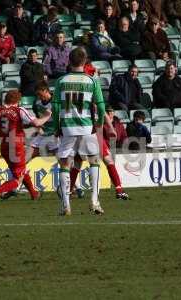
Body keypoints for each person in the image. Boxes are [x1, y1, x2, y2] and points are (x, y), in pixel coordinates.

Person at [52, 47, 106, 216]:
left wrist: (56, 126)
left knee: (65, 164)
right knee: (94, 161)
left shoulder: (61, 81)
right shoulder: (92, 81)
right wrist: (100, 122)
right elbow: (101, 105)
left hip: (67, 127)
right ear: (85, 61)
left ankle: (65, 205)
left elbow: (55, 106)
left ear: (69, 60)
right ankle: (94, 201)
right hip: (86, 126)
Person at [69, 112, 129, 200]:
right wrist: (111, 128)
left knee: (77, 162)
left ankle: (68, 191)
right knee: (108, 161)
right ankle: (119, 190)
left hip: (80, 134)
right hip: (94, 134)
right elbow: (103, 111)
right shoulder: (93, 100)